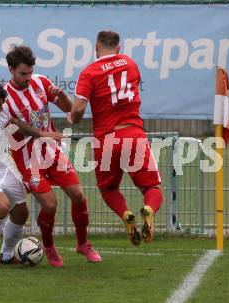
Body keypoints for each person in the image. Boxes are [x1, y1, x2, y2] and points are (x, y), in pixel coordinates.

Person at [3, 45, 101, 267]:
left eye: (30, 72)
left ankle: (83, 243)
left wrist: (62, 95)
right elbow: (16, 129)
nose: (28, 78)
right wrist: (44, 134)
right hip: (28, 161)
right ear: (11, 70)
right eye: (23, 74)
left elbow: (68, 111)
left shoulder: (41, 82)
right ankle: (49, 247)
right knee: (50, 205)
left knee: (78, 195)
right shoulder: (5, 98)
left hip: (52, 153)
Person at [70, 30, 164, 245]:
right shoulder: (130, 64)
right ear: (118, 48)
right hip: (133, 133)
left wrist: (72, 117)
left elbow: (78, 108)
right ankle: (148, 210)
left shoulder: (89, 73)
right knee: (151, 189)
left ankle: (126, 215)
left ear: (96, 47)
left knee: (108, 189)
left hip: (106, 140)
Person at [0, 79, 62, 269]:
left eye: (2, 104)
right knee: (1, 206)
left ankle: (6, 255)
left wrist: (41, 134)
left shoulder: (3, 110)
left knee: (21, 214)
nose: (1, 109)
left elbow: (17, 123)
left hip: (3, 168)